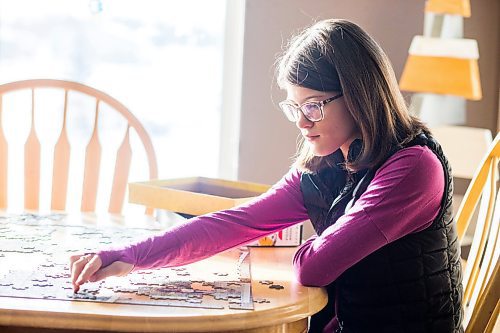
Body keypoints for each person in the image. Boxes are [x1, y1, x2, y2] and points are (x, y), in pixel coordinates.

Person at [70, 19, 463, 332]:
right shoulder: (327, 162)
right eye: (294, 107)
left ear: (359, 94)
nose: (302, 123)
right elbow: (237, 221)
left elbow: (314, 266)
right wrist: (127, 257)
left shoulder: (414, 168)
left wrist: (311, 243)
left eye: (313, 106)